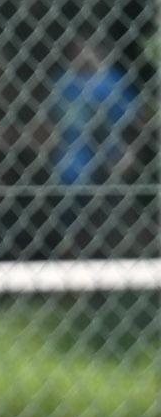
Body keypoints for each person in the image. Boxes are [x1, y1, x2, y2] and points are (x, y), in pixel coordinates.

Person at [52, 39, 138, 255]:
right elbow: (50, 122)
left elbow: (133, 121)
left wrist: (127, 151)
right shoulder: (64, 82)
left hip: (109, 153)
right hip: (74, 160)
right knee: (72, 220)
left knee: (112, 213)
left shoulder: (110, 81)